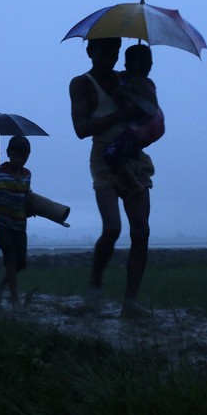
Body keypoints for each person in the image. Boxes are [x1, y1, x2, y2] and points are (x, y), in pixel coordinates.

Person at [69, 37, 155, 318]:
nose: (111, 57)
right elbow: (81, 129)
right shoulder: (81, 84)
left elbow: (149, 110)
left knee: (141, 231)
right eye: (105, 51)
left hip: (133, 157)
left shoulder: (126, 79)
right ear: (90, 52)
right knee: (112, 229)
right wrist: (122, 112)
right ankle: (94, 289)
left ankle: (130, 302)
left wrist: (138, 94)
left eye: (116, 51)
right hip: (104, 159)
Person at [104, 44, 164, 198]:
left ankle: (133, 185)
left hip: (140, 129)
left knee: (111, 154)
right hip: (152, 128)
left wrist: (124, 94)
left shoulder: (136, 83)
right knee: (128, 152)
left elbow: (146, 107)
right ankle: (125, 175)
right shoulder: (147, 83)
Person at [0, 136, 32, 309]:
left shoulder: (27, 175)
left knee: (20, 263)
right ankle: (14, 300)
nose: (20, 159)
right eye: (16, 155)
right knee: (11, 260)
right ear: (9, 154)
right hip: (2, 223)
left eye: (25, 156)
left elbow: (27, 197)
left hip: (20, 224)